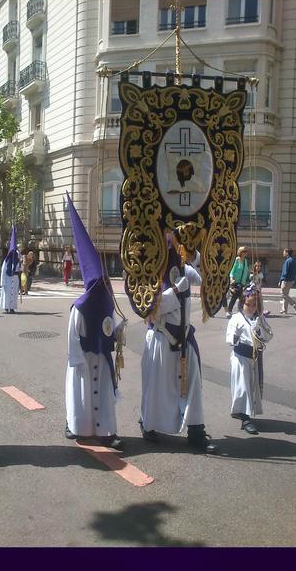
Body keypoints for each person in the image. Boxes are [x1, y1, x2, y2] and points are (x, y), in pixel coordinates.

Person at [140, 235, 217, 454]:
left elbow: (206, 278)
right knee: (156, 388)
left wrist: (196, 255)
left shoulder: (183, 268)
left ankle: (196, 433)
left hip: (184, 338)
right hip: (161, 337)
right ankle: (148, 424)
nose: (170, 241)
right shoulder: (149, 268)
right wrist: (175, 291)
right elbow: (150, 307)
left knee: (193, 386)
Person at [64, 193, 125, 451]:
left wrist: (120, 332)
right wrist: (77, 362)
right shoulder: (79, 308)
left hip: (103, 357)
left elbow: (110, 326)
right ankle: (80, 427)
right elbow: (73, 338)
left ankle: (106, 431)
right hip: (85, 359)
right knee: (83, 396)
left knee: (103, 394)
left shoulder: (108, 303)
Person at [226, 287, 273, 434]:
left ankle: (241, 411)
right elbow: (229, 338)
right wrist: (236, 336)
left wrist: (259, 327)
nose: (251, 308)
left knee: (252, 386)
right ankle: (245, 419)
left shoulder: (259, 318)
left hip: (254, 357)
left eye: (254, 305)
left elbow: (268, 336)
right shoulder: (236, 318)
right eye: (248, 304)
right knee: (243, 387)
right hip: (240, 357)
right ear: (242, 303)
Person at [0, 225, 21, 314]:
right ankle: (6, 307)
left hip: (15, 278)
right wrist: (2, 282)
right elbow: (4, 271)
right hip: (8, 279)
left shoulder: (17, 260)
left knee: (14, 294)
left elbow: (19, 269)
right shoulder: (7, 260)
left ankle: (12, 308)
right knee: (7, 294)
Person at [226, 246, 250, 318]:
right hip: (235, 282)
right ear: (241, 252)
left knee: (242, 297)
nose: (246, 253)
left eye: (246, 251)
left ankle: (240, 311)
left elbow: (246, 272)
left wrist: (246, 280)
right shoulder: (237, 260)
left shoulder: (245, 261)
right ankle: (230, 311)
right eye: (244, 251)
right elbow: (232, 270)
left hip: (242, 282)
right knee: (235, 296)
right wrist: (231, 278)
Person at [279, 247, 296, 314]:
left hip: (286, 280)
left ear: (287, 253)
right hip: (291, 280)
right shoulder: (292, 260)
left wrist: (281, 280)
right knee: (286, 294)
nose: (283, 253)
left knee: (283, 294)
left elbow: (285, 272)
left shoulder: (288, 261)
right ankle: (284, 310)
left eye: (284, 252)